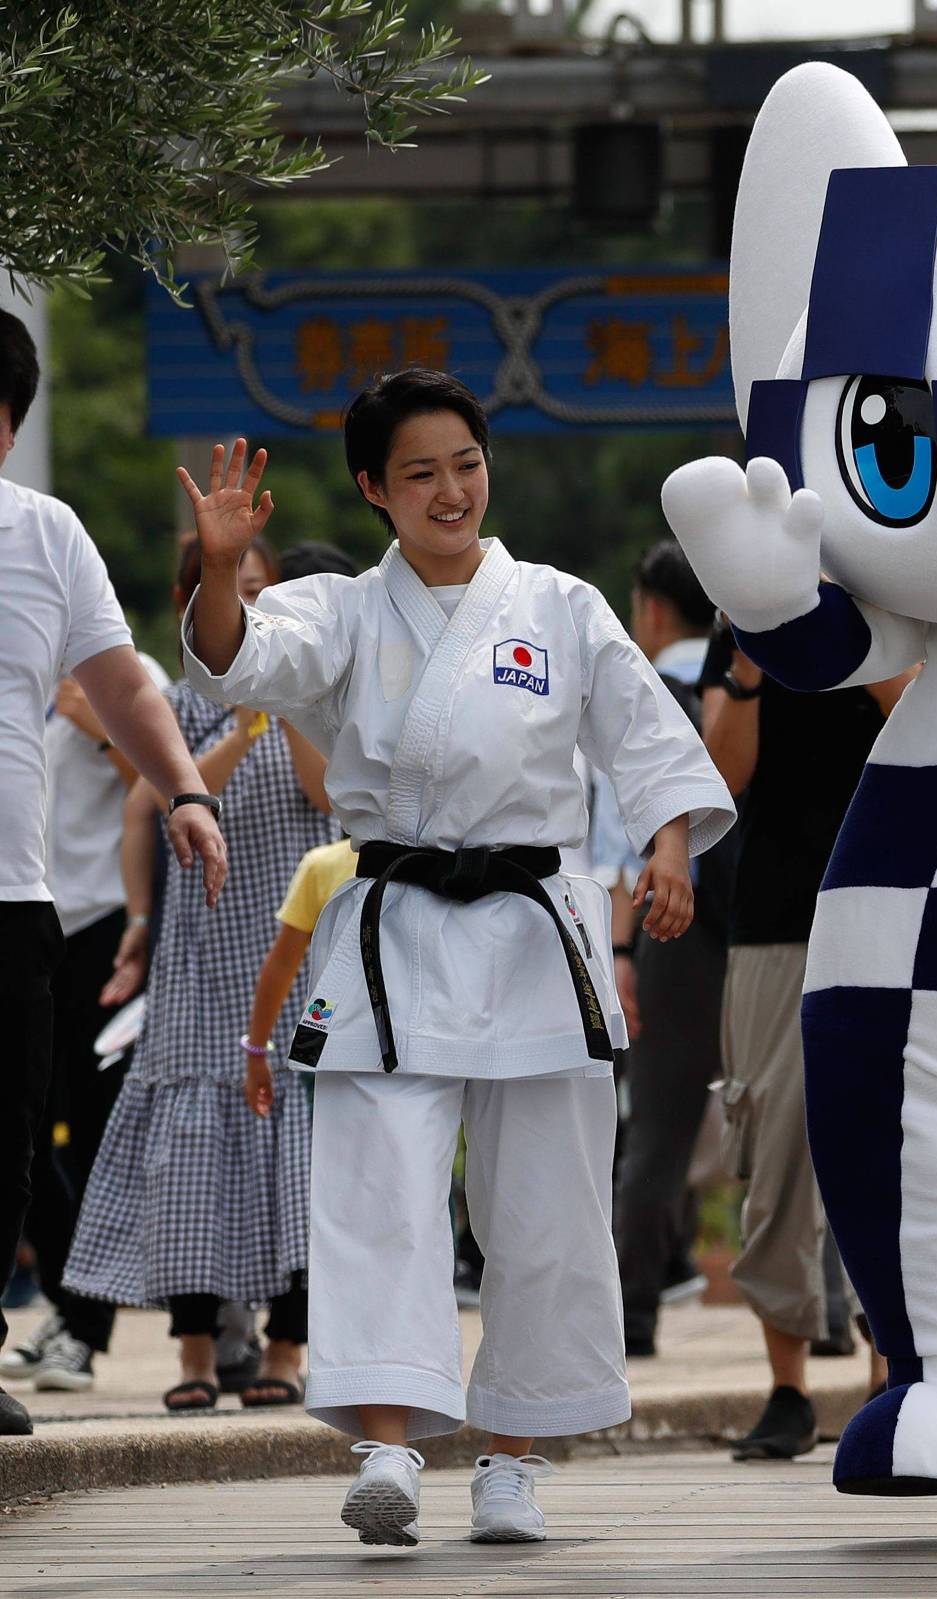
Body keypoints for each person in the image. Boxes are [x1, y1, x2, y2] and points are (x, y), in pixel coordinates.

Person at [180, 371, 734, 1548]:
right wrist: (222, 566)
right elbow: (236, 664)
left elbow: (649, 741)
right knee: (379, 1184)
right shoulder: (338, 609)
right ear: (375, 490)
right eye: (421, 473)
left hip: (538, 928)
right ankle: (389, 1442)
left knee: (544, 1204)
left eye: (467, 464)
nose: (450, 490)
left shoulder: (562, 606)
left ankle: (511, 1463)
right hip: (396, 926)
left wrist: (671, 849)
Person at [0, 308, 229, 1436]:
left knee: (10, 1133)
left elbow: (127, 686)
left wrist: (185, 791)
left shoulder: (47, 537)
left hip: (15, 899)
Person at [63, 532, 335, 1412]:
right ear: (193, 603)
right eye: (230, 591)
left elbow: (324, 793)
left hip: (291, 951)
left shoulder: (308, 694)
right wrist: (139, 923)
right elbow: (155, 802)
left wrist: (280, 701)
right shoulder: (176, 703)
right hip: (197, 953)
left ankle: (286, 1350)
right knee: (188, 1146)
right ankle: (192, 1353)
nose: (249, 608)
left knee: (298, 1146)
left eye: (262, 592)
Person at [699, 614, 902, 1460]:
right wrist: (751, 665)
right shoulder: (740, 610)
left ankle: (895, 1381)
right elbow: (721, 772)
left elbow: (926, 719)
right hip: (774, 916)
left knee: (895, 1149)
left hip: (891, 904)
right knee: (774, 1139)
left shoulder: (897, 591)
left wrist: (850, 639)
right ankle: (788, 1389)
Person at [0, 650, 167, 1397]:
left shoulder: (131, 678)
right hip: (31, 925)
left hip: (103, 932)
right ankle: (70, 1308)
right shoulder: (17, 681)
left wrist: (97, 727)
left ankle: (87, 1324)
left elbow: (168, 794)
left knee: (93, 1135)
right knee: (30, 1132)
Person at [598, 540, 730, 1360]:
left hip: (672, 931)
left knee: (656, 1129)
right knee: (813, 1128)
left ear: (650, 607)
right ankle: (829, 1314)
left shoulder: (639, 694)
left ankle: (633, 1313)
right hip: (781, 921)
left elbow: (620, 843)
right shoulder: (763, 676)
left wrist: (619, 952)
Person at [244, 837, 359, 1118]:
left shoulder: (323, 864)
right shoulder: (322, 866)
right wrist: (256, 1050)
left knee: (329, 1153)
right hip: (334, 1032)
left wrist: (256, 1051)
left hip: (326, 1026)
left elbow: (281, 965)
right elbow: (281, 965)